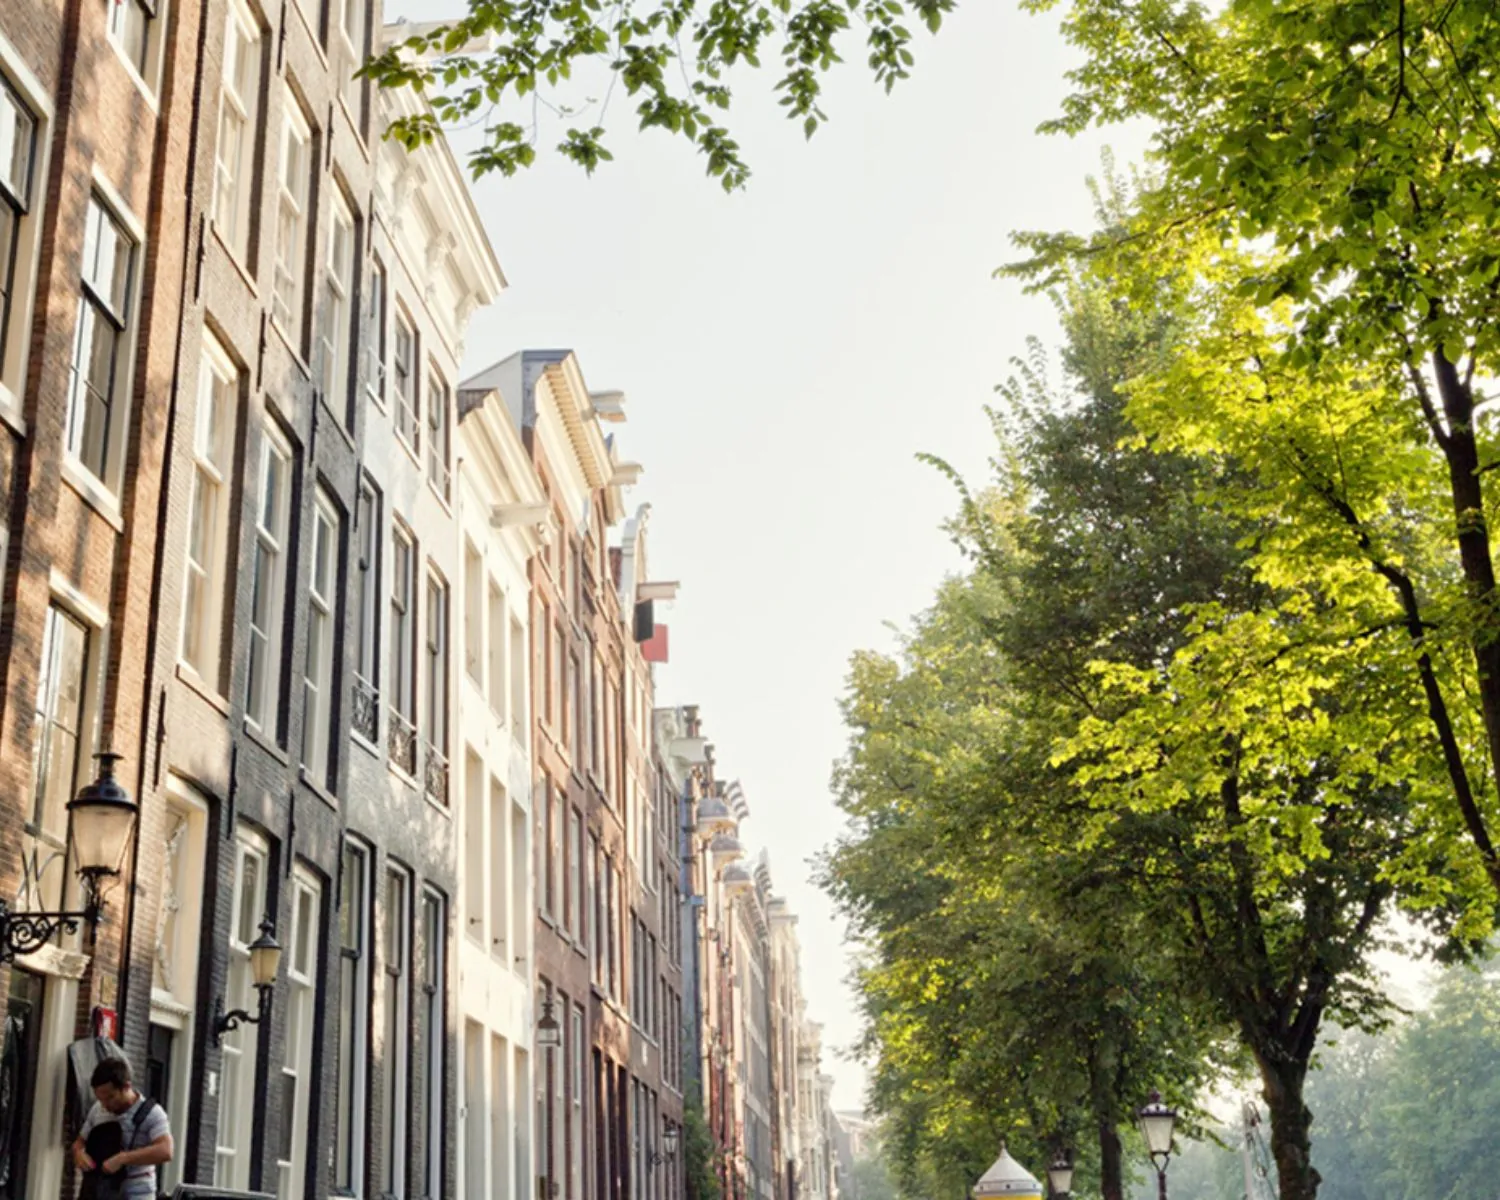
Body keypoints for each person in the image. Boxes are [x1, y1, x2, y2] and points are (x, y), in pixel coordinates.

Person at [70, 1059, 172, 1200]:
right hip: (102, 1191)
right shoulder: (97, 1109)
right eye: (101, 1099)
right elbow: (79, 1142)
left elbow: (166, 1150)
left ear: (126, 1087)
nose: (105, 1105)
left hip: (137, 1192)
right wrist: (79, 1154)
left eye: (110, 1097)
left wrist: (123, 1159)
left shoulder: (152, 1113)